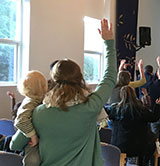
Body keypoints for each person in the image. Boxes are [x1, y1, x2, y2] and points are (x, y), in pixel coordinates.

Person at [10, 18, 116, 165]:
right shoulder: (91, 106)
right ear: (80, 79)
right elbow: (110, 77)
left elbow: (14, 145)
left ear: (52, 81)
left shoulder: (38, 112)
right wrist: (109, 43)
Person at [106, 85, 160, 165]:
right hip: (139, 146)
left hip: (119, 145)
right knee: (151, 143)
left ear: (121, 95)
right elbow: (154, 118)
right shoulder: (140, 109)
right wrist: (158, 106)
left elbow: (104, 111)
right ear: (134, 94)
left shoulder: (115, 109)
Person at [14, 70, 48, 166]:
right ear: (43, 86)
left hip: (39, 135)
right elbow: (20, 121)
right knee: (32, 160)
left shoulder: (38, 99)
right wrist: (33, 136)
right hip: (30, 137)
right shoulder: (30, 103)